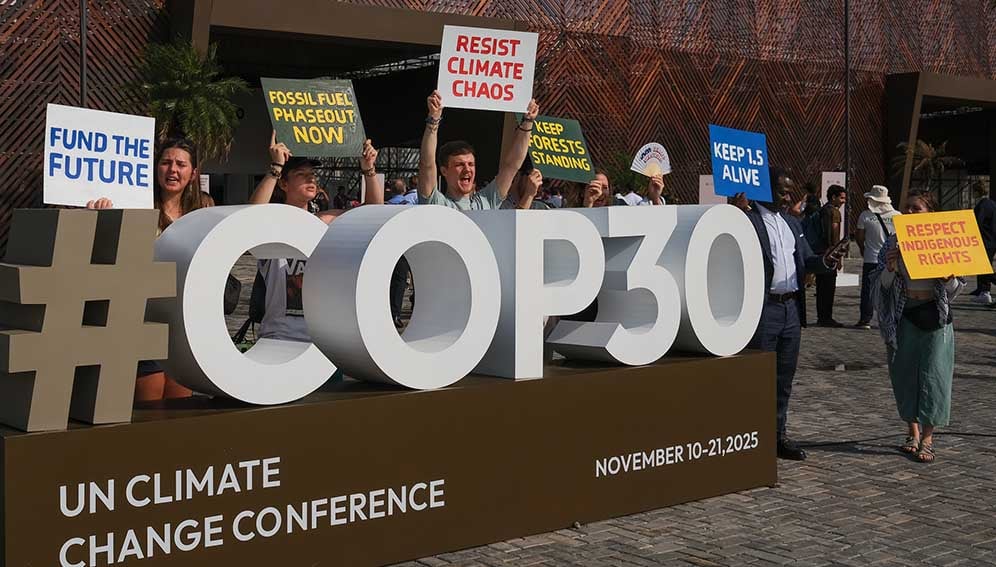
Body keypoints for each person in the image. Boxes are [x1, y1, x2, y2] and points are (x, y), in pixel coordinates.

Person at [87, 137, 213, 401]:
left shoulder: (203, 211)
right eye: (166, 162)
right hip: (143, 318)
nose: (173, 170)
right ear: (155, 168)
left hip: (185, 322)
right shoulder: (135, 206)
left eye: (181, 164)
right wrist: (97, 219)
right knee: (150, 403)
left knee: (180, 407)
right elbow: (107, 251)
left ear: (193, 173)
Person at [736, 168, 841, 460]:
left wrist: (826, 260)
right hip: (763, 309)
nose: (788, 198)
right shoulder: (747, 220)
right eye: (782, 191)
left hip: (791, 309)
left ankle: (777, 436)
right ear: (764, 191)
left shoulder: (792, 224)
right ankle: (750, 438)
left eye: (789, 192)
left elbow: (807, 259)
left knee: (784, 378)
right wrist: (736, 211)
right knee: (757, 377)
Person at [248, 131, 383, 342]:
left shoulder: (324, 221)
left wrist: (369, 169)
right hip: (280, 337)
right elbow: (250, 217)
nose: (311, 178)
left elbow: (373, 212)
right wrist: (275, 168)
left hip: (324, 341)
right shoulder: (272, 223)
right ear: (284, 184)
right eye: (301, 174)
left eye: (312, 174)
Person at [874, 190, 964, 463]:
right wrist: (890, 268)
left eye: (917, 208)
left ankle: (928, 438)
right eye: (908, 208)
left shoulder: (945, 242)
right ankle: (911, 432)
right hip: (904, 315)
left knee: (934, 376)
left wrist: (948, 278)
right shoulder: (892, 242)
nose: (910, 212)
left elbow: (955, 289)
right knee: (904, 374)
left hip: (935, 316)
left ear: (930, 213)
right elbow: (879, 287)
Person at [418, 90, 538, 210]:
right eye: (459, 165)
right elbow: (427, 164)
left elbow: (511, 166)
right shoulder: (436, 203)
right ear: (444, 171)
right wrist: (433, 120)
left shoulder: (486, 201)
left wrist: (528, 122)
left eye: (471, 164)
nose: (467, 169)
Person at [854, 185, 900, 329]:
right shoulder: (898, 215)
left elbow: (859, 237)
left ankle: (865, 320)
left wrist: (863, 249)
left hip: (871, 258)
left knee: (868, 290)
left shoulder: (865, 215)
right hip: (891, 259)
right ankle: (892, 317)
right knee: (891, 289)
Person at [814, 185, 846, 327]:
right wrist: (837, 256)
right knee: (828, 287)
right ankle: (827, 317)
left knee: (821, 288)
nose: (843, 201)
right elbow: (834, 233)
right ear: (834, 197)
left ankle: (822, 316)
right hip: (830, 254)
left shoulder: (822, 210)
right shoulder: (834, 212)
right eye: (842, 197)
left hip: (820, 252)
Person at [970, 183, 996, 304]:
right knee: (984, 266)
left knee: (983, 267)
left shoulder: (982, 205)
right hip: (992, 240)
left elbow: (977, 222)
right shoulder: (992, 204)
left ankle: (985, 292)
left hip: (984, 240)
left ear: (977, 191)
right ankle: (982, 291)